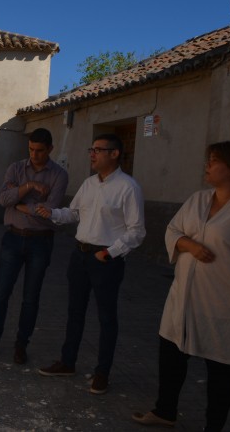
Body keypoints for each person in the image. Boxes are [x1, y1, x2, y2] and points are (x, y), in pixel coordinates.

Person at [132, 141, 230, 431]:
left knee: (222, 365)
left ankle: (214, 426)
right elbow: (173, 229)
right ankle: (165, 411)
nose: (207, 166)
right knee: (171, 351)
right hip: (183, 295)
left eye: (213, 161)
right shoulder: (198, 199)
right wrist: (188, 244)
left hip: (224, 302)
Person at [35, 133, 145, 395]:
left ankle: (102, 372)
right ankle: (67, 362)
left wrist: (110, 252)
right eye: (91, 149)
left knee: (107, 318)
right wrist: (51, 213)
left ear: (115, 154)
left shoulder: (128, 187)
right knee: (75, 312)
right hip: (80, 256)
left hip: (105, 259)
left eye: (98, 150)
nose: (92, 154)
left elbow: (137, 231)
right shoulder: (88, 184)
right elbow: (73, 213)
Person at [0, 128, 68, 364]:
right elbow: (3, 200)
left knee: (31, 297)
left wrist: (20, 205)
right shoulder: (16, 169)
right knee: (1, 293)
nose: (34, 155)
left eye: (39, 151)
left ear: (50, 149)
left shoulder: (59, 175)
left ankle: (21, 345)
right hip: (13, 238)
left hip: (41, 240)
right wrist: (28, 187)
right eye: (31, 150)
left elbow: (50, 213)